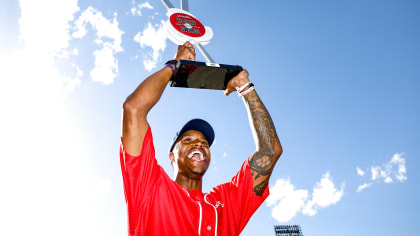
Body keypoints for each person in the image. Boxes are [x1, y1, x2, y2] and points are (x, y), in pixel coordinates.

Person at [120, 41, 282, 236]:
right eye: (188, 140)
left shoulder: (225, 203)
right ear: (172, 156)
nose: (199, 144)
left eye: (205, 143)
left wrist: (245, 87)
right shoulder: (150, 186)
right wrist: (175, 66)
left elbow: (269, 152)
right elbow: (134, 108)